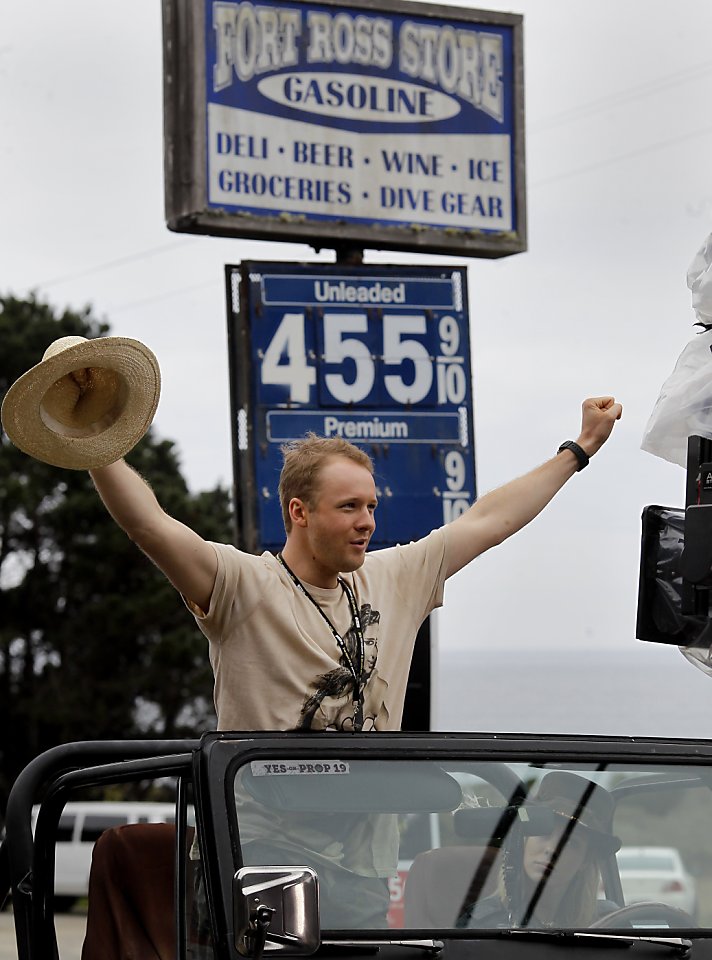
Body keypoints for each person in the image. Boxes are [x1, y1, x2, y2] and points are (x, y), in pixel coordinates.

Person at [458, 771, 621, 929]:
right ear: (524, 842)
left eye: (571, 843)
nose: (551, 849)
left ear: (584, 861)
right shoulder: (480, 925)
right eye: (543, 834)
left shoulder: (607, 925)